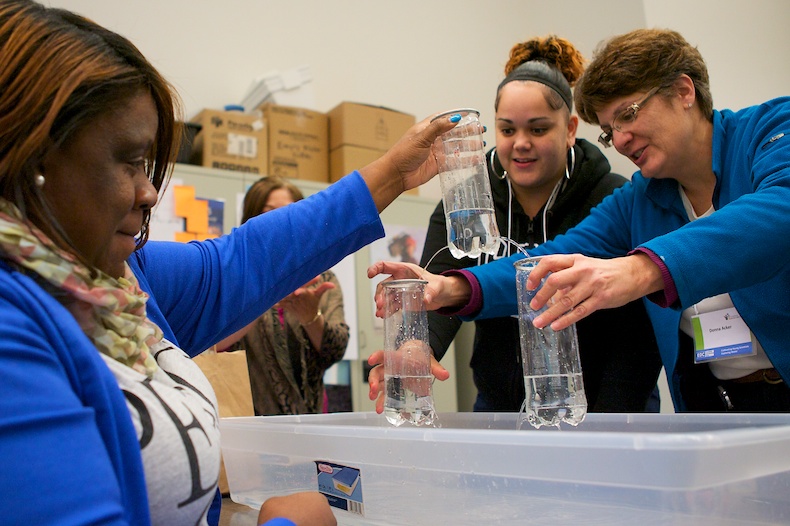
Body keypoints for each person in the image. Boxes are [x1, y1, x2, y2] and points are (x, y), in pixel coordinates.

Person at [0, 1, 459, 525]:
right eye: (128, 161)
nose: (150, 193)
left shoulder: (119, 281)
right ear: (32, 155)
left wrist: (391, 175)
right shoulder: (12, 332)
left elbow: (244, 260)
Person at [368, 28, 790, 414]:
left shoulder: (770, 131)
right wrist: (450, 287)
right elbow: (551, 259)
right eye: (609, 130)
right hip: (717, 404)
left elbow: (778, 211)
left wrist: (640, 269)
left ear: (683, 90)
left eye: (628, 115)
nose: (620, 140)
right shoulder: (639, 199)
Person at [416, 35, 661, 413]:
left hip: (605, 406)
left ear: (570, 129)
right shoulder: (467, 205)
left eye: (538, 129)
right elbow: (439, 284)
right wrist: (420, 346)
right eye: (508, 130)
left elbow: (637, 333)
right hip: (499, 406)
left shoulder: (612, 197)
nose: (520, 144)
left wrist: (613, 422)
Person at [217, 176, 349, 416]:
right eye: (269, 212)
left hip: (311, 419)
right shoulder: (236, 274)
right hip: (246, 418)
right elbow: (212, 344)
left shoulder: (321, 277)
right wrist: (261, 298)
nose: (281, 222)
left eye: (290, 213)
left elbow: (335, 351)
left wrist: (311, 318)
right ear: (251, 219)